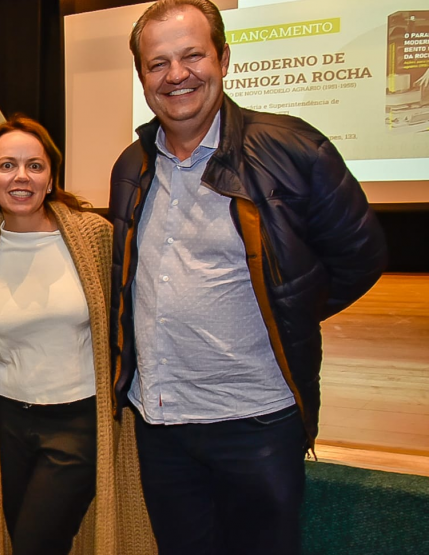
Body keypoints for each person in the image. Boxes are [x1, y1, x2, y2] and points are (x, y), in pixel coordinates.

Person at [108, 1, 388, 554]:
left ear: (225, 58)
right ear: (142, 77)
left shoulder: (294, 149)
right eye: (158, 63)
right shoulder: (131, 165)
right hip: (159, 420)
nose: (177, 74)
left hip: (256, 421)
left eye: (193, 55)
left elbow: (361, 258)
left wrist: (283, 306)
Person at [0, 116, 154, 555]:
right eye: (7, 165)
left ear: (51, 178)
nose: (21, 176)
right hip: (7, 422)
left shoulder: (94, 237)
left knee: (36, 544)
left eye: (35, 165)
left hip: (77, 421)